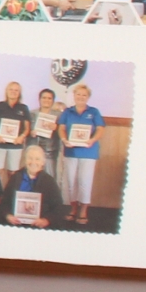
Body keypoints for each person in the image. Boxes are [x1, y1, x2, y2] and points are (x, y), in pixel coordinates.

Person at [57, 83, 105, 225]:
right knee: (70, 182)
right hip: (71, 151)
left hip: (88, 152)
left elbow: (100, 129)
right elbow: (61, 128)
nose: (81, 97)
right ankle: (73, 209)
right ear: (74, 95)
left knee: (85, 182)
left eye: (84, 95)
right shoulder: (67, 112)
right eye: (78, 94)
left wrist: (92, 140)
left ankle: (83, 211)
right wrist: (64, 140)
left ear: (88, 97)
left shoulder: (94, 112)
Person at [5, 145, 63, 228]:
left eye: (37, 159)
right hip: (16, 224)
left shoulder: (49, 181)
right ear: (25, 160)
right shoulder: (15, 177)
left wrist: (46, 220)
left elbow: (58, 208)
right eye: (30, 158)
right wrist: (8, 216)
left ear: (43, 162)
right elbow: (4, 203)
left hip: (39, 227)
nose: (33, 162)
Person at [0, 79, 31, 175]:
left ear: (19, 93)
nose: (13, 92)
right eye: (11, 89)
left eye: (16, 90)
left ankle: (11, 186)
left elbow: (27, 128)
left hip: (16, 144)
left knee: (13, 172)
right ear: (6, 91)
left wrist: (21, 137)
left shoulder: (23, 108)